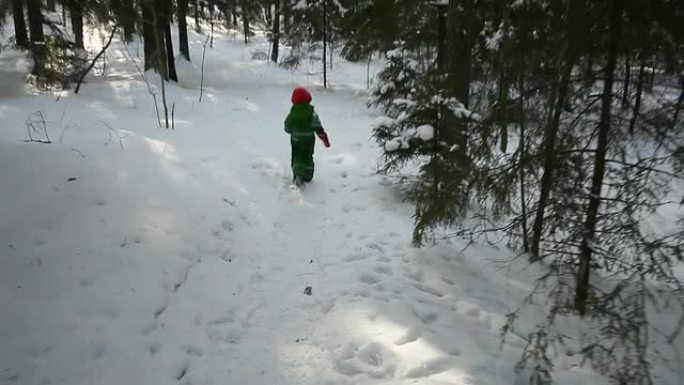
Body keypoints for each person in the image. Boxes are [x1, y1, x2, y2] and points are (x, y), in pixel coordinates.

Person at [284, 86, 331, 186]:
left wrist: (291, 131)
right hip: (308, 140)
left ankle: (297, 174)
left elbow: (287, 127)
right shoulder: (312, 114)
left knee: (296, 156)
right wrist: (325, 139)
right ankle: (308, 175)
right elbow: (318, 128)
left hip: (295, 140)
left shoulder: (292, 114)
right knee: (307, 156)